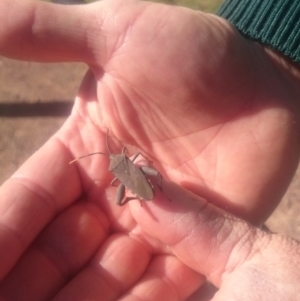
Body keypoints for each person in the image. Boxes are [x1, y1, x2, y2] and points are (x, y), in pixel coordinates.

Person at [0, 0, 300, 299]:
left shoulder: (119, 170)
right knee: (143, 181)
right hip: (142, 180)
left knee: (133, 191)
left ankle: (142, 195)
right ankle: (147, 193)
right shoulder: (125, 165)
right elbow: (133, 168)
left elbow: (122, 174)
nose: (115, 159)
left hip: (137, 183)